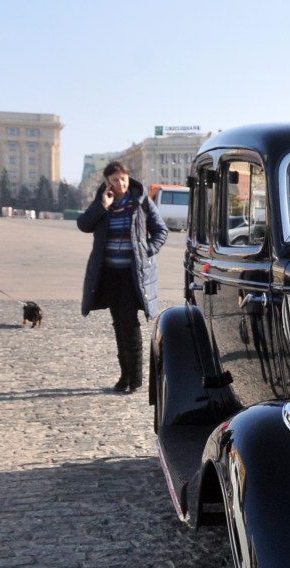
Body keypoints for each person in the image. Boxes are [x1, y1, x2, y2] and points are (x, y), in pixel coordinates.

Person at [76, 161, 169, 394]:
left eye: (123, 178)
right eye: (115, 179)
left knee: (129, 322)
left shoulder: (141, 201)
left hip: (132, 274)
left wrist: (146, 250)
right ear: (108, 182)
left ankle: (135, 377)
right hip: (109, 274)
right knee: (118, 324)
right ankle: (125, 374)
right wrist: (102, 206)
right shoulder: (103, 203)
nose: (121, 183)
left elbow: (161, 231)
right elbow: (84, 224)